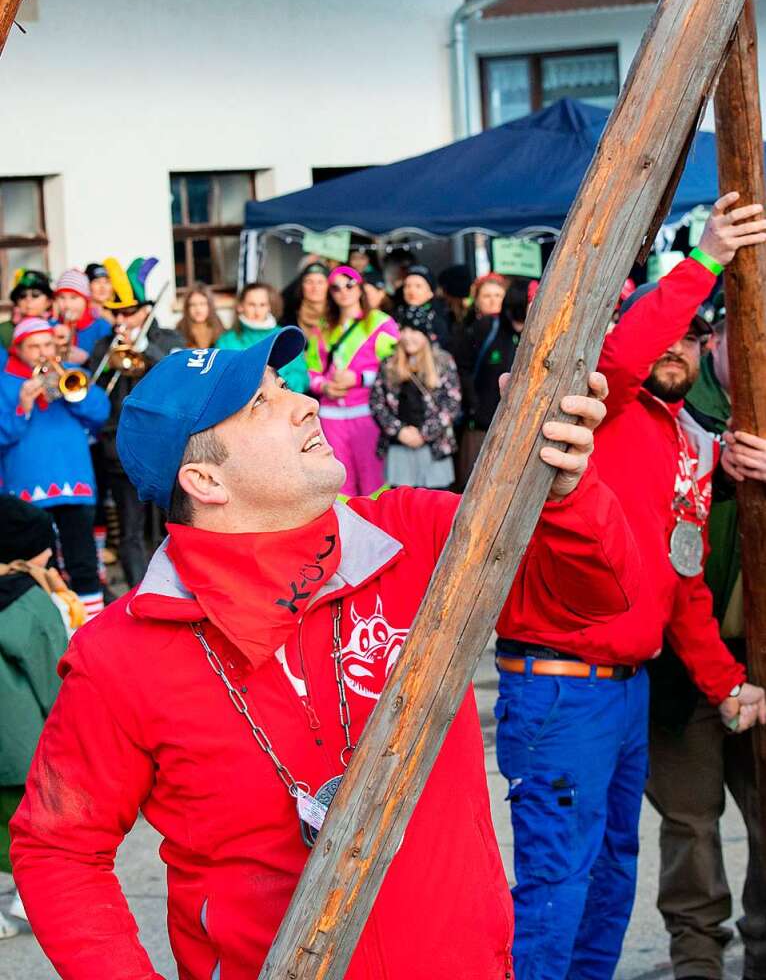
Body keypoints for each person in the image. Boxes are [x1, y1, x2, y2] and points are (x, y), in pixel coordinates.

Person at [11, 321, 643, 979]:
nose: (304, 401)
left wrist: (566, 493)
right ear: (204, 480)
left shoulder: (412, 535)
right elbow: (58, 849)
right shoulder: (119, 653)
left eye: (284, 385)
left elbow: (589, 598)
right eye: (261, 403)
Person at [493, 193, 766, 980]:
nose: (673, 346)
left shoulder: (688, 442)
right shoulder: (597, 403)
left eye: (689, 334)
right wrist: (705, 258)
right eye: (663, 334)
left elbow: (684, 586)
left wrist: (725, 683)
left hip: (627, 690)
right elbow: (620, 349)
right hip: (558, 686)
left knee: (613, 875)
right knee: (556, 885)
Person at [645, 315, 766, 980]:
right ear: (717, 342)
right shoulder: (673, 408)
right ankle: (697, 965)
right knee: (689, 826)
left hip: (758, 663)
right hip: (684, 659)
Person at [0, 318, 110, 621]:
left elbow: (101, 413)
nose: (42, 352)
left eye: (47, 344)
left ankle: (92, 631)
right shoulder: (5, 382)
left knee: (84, 563)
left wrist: (73, 392)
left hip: (76, 486)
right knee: (39, 568)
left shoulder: (74, 376)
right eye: (34, 346)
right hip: (27, 490)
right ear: (18, 350)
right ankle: (52, 629)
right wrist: (23, 405)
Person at [0, 496, 70, 939]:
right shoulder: (31, 601)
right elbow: (51, 674)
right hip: (20, 739)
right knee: (31, 823)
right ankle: (27, 901)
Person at [88, 268, 184, 589]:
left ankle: (176, 590)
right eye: (116, 313)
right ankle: (139, 593)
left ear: (145, 310)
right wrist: (109, 360)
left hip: (164, 449)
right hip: (119, 450)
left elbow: (178, 376)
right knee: (130, 529)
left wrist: (143, 348)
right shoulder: (104, 346)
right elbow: (93, 394)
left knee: (172, 525)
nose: (121, 319)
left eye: (128, 312)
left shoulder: (167, 339)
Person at [306, 265, 399, 497]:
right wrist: (324, 386)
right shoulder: (322, 329)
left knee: (374, 481)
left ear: (360, 288)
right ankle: (345, 532)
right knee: (338, 482)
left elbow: (395, 370)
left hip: (367, 413)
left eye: (349, 284)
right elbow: (311, 370)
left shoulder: (381, 323)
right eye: (336, 288)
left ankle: (378, 529)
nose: (343, 292)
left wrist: (357, 378)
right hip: (330, 417)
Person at [370, 305, 460, 489]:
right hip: (399, 446)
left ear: (426, 335)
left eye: (415, 330)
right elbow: (377, 402)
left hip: (433, 446)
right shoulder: (389, 363)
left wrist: (424, 433)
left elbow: (452, 402)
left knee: (435, 503)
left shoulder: (442, 361)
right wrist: (399, 430)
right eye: (404, 329)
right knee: (401, 504)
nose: (408, 336)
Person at [452, 274, 525, 489]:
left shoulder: (519, 330)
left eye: (498, 295)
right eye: (487, 296)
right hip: (481, 426)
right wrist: (474, 406)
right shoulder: (477, 329)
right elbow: (462, 370)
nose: (493, 301)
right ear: (477, 300)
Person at [217, 281, 309, 392]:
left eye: (262, 305)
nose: (257, 311)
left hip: (282, 401)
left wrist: (280, 386)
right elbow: (222, 379)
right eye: (251, 304)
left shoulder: (286, 337)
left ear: (269, 307)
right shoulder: (226, 341)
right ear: (240, 307)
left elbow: (301, 376)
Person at [52, 269, 112, 363]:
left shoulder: (102, 326)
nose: (67, 305)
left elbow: (108, 365)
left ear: (86, 300)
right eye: (61, 297)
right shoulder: (51, 326)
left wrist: (87, 360)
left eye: (74, 298)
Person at [393, 264, 450, 349]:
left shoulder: (439, 317)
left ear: (430, 292)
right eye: (407, 286)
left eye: (418, 286)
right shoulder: (397, 315)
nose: (411, 291)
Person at [0, 269, 53, 352]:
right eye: (22, 295)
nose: (28, 299)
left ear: (49, 301)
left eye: (35, 295)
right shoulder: (3, 331)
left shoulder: (58, 328)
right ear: (17, 302)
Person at [281, 262, 329, 334]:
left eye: (320, 282)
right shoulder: (288, 318)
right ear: (301, 286)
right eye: (309, 282)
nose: (315, 288)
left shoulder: (337, 317)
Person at [176, 282, 224, 349]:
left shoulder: (219, 327)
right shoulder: (179, 330)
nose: (198, 310)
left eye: (202, 304)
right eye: (193, 305)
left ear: (210, 305)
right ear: (187, 308)